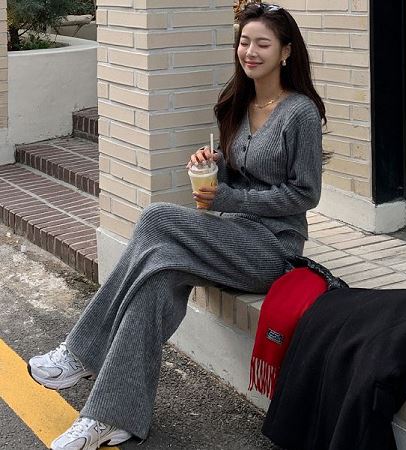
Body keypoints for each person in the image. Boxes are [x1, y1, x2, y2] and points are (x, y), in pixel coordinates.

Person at [28, 3, 327, 449]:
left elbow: (305, 194)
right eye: (244, 41)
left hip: (272, 248)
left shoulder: (298, 113)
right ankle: (110, 418)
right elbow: (242, 171)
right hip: (230, 234)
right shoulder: (242, 103)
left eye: (262, 43)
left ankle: (79, 352)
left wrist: (227, 197)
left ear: (285, 51)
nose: (250, 51)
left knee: (155, 218)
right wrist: (215, 165)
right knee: (158, 275)